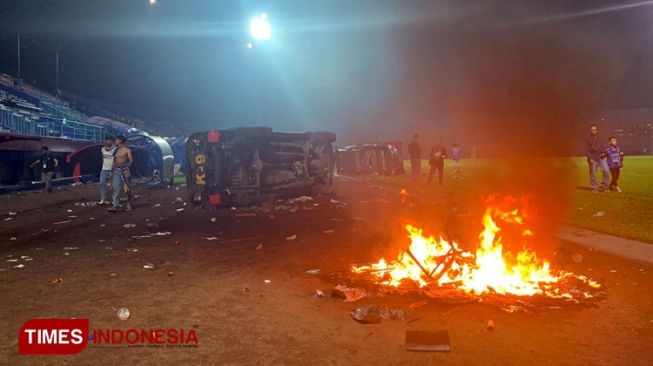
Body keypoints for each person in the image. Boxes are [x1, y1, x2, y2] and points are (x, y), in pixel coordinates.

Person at [108, 136, 133, 212]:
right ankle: (115, 205)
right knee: (116, 188)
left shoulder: (127, 150)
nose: (115, 142)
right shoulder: (115, 150)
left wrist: (127, 165)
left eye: (116, 140)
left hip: (124, 171)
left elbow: (131, 159)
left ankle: (129, 203)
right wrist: (111, 171)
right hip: (116, 171)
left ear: (120, 141)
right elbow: (113, 161)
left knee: (127, 189)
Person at [585, 124, 609, 192]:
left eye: (595, 129)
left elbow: (604, 146)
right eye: (592, 130)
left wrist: (605, 153)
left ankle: (603, 187)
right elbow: (586, 150)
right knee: (593, 174)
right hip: (593, 158)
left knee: (606, 171)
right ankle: (594, 188)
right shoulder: (587, 139)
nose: (594, 131)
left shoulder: (600, 137)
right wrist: (590, 158)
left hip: (601, 157)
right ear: (590, 131)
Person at [99, 137, 116, 204]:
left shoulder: (115, 149)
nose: (108, 142)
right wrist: (103, 166)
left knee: (115, 185)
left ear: (112, 141)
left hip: (113, 169)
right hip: (104, 169)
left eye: (109, 140)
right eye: (107, 140)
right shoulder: (103, 149)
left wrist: (112, 169)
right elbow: (103, 158)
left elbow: (115, 159)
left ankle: (115, 200)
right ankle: (103, 198)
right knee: (102, 183)